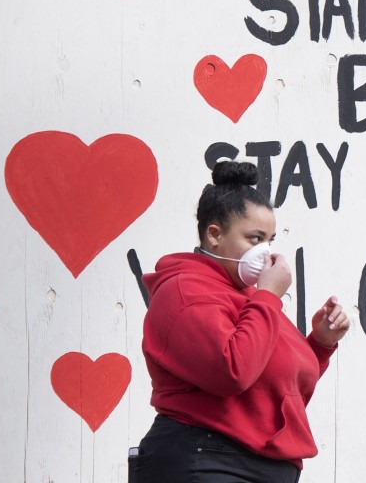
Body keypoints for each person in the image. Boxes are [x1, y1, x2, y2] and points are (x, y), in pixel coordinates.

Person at [132, 160, 349, 482]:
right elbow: (232, 372)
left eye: (270, 240)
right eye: (254, 238)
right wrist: (268, 297)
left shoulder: (252, 297)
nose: (266, 253)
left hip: (265, 464)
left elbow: (283, 391)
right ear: (214, 235)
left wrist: (320, 343)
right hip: (207, 459)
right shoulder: (185, 290)